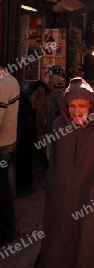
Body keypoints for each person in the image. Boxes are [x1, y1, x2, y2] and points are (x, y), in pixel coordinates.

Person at [37, 77, 94, 268]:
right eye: (72, 106)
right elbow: (53, 157)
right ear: (65, 106)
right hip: (62, 200)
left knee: (92, 250)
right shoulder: (58, 126)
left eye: (82, 106)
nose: (77, 111)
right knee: (60, 248)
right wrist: (51, 182)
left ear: (91, 106)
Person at [0, 53, 20, 244]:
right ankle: (8, 228)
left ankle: (6, 230)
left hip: (1, 144)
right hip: (9, 142)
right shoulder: (11, 80)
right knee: (3, 187)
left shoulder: (1, 84)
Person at [16, 91, 34, 195]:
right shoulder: (24, 98)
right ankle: (25, 186)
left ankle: (22, 186)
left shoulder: (20, 98)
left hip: (20, 134)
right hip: (24, 133)